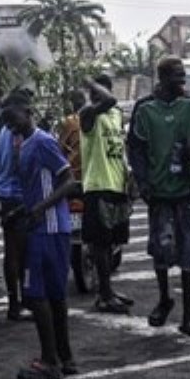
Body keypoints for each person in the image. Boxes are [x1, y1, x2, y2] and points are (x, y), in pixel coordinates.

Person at [126, 57, 190, 337]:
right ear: (162, 78)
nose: (182, 81)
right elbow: (134, 148)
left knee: (188, 252)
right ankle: (165, 298)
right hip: (158, 191)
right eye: (176, 76)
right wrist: (142, 181)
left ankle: (188, 316)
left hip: (185, 191)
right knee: (161, 249)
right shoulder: (144, 109)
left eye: (183, 76)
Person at [5, 96, 81, 379]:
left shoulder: (42, 141)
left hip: (47, 229)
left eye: (14, 118)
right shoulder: (23, 144)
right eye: (7, 122)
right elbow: (39, 186)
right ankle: (65, 357)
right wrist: (22, 211)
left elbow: (68, 180)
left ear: (28, 112)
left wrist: (39, 209)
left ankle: (50, 361)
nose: (10, 125)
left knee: (35, 295)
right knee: (54, 295)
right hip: (44, 226)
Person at [78, 75, 133, 314]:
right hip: (98, 185)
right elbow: (109, 99)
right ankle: (104, 295)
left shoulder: (116, 115)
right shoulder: (88, 115)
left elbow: (121, 148)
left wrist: (129, 177)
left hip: (117, 184)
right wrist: (90, 83)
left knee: (112, 242)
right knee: (100, 244)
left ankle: (107, 288)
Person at [0, 95, 27, 321]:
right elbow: (19, 161)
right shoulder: (15, 133)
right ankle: (18, 304)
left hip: (4, 192)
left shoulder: (3, 130)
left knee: (12, 252)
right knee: (19, 254)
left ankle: (17, 302)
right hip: (17, 195)